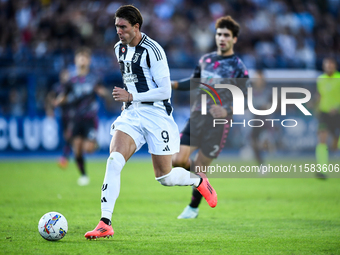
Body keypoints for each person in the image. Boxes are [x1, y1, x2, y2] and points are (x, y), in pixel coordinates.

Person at [84, 5, 217, 240]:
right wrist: (130, 99)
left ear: (136, 27)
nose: (119, 31)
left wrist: (132, 95)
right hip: (132, 114)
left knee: (164, 178)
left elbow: (165, 90)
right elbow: (133, 80)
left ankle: (198, 180)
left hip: (156, 116)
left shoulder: (153, 51)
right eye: (116, 26)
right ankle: (105, 222)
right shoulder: (119, 49)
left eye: (123, 27)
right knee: (114, 161)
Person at [171, 16, 250, 219]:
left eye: (226, 35)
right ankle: (201, 183)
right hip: (197, 116)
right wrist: (174, 85)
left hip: (218, 123)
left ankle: (193, 208)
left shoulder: (239, 67)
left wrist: (227, 110)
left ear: (234, 39)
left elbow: (245, 97)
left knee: (200, 166)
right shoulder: (206, 60)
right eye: (219, 34)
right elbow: (194, 82)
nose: (221, 38)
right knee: (177, 160)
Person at [54, 47, 110, 186]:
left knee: (88, 148)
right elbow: (64, 96)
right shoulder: (71, 81)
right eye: (80, 57)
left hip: (90, 118)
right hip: (75, 118)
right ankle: (84, 175)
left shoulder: (94, 78)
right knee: (77, 149)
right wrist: (59, 100)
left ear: (89, 61)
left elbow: (103, 92)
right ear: (76, 60)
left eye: (85, 57)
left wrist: (104, 93)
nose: (82, 60)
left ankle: (94, 144)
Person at [315, 57, 340, 179]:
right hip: (324, 113)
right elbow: (320, 95)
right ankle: (322, 169)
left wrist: (337, 107)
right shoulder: (320, 79)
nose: (329, 67)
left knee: (335, 144)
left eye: (331, 65)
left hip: (338, 114)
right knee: (322, 138)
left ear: (335, 66)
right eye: (327, 65)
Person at [45, 69, 72, 169]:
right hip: (62, 115)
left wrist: (59, 101)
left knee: (69, 135)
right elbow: (49, 98)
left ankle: (65, 157)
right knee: (66, 136)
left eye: (67, 76)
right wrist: (49, 109)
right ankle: (66, 155)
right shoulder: (57, 87)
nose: (66, 78)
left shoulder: (71, 87)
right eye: (64, 76)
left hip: (72, 115)